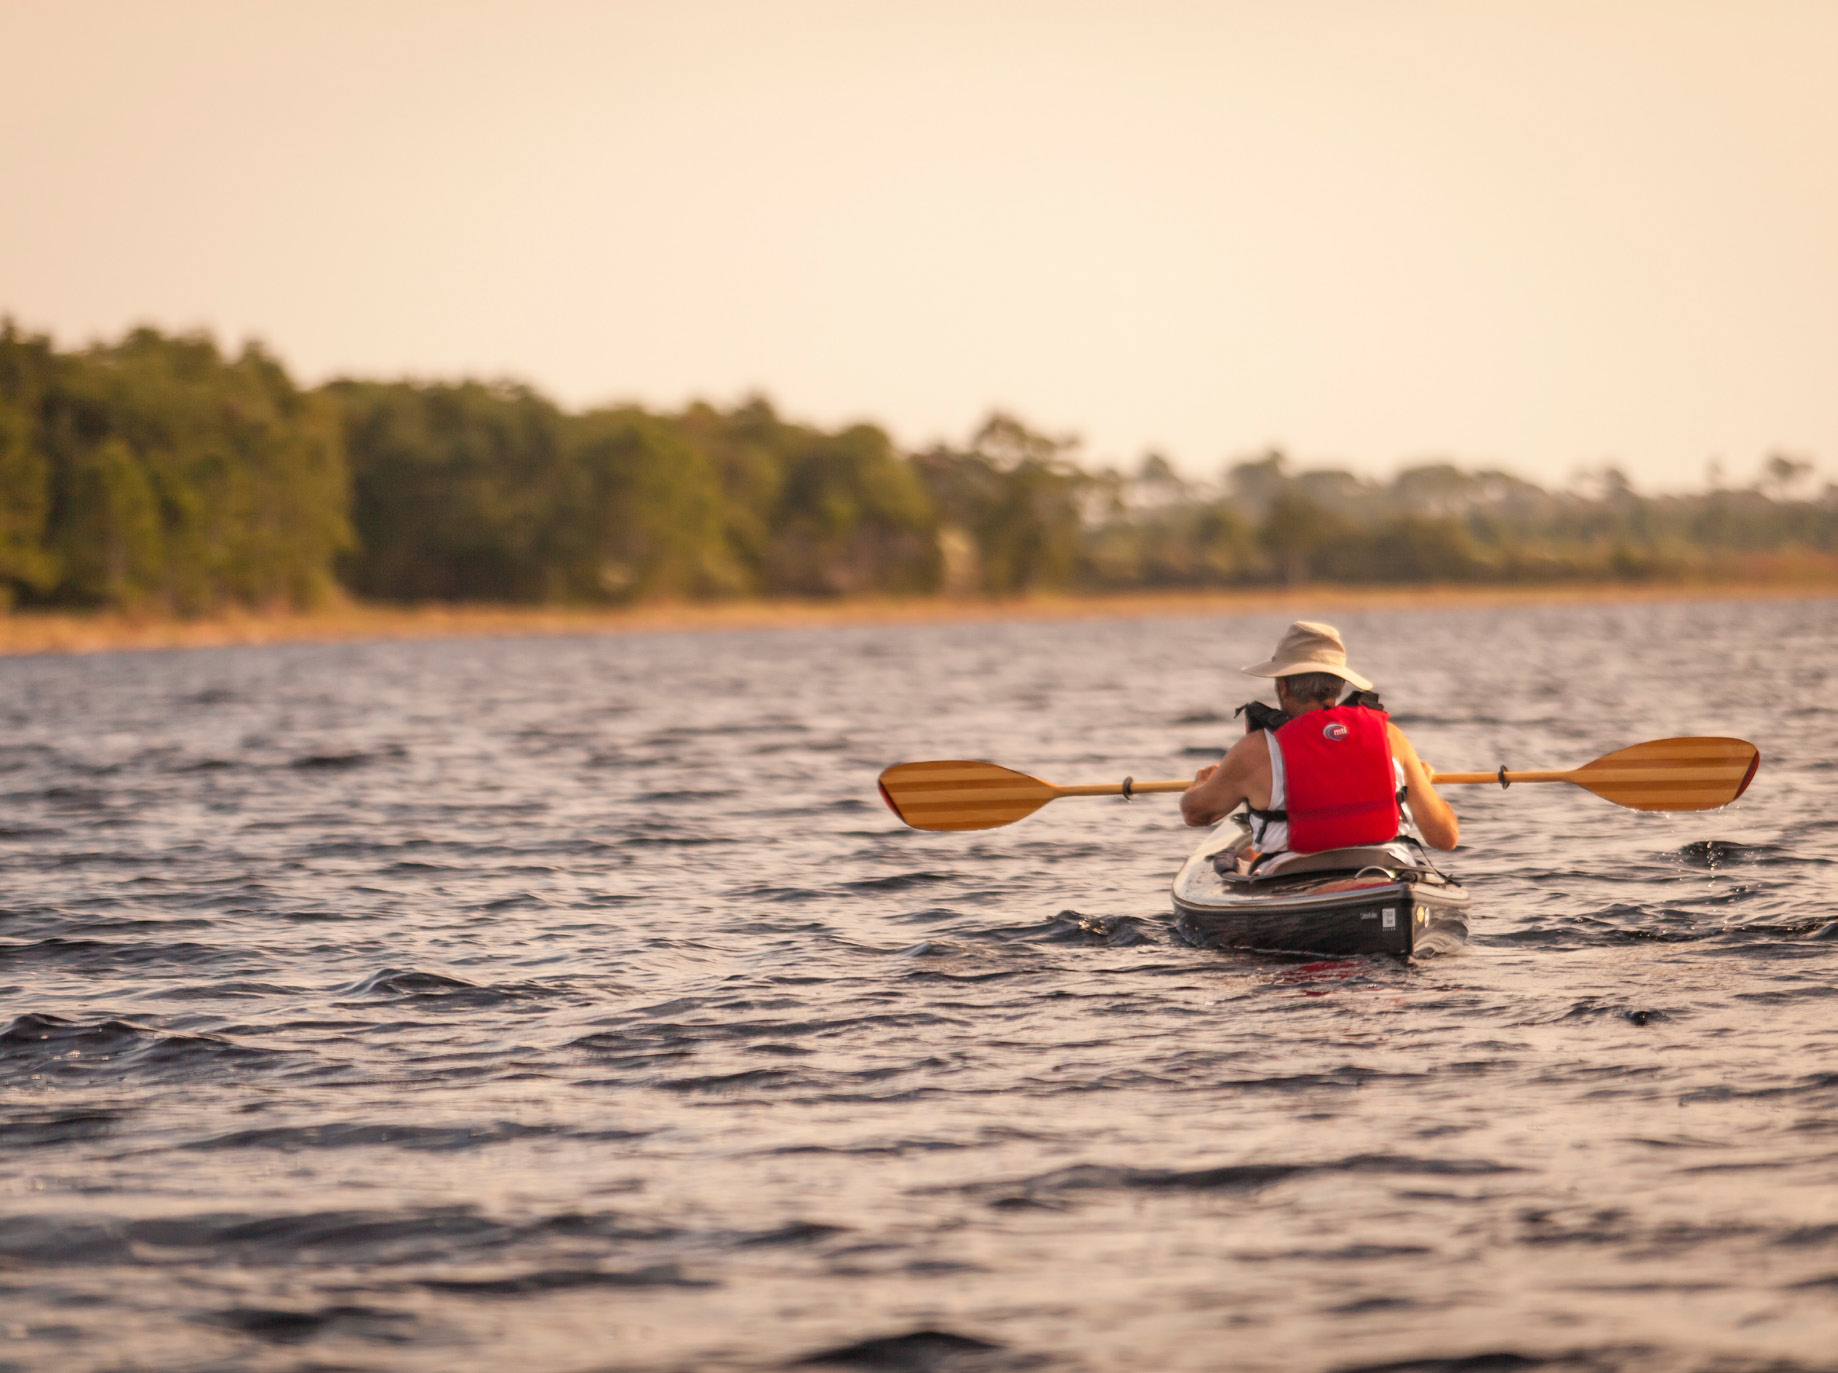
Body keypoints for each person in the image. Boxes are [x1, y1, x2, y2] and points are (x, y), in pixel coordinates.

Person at [1180, 620, 1458, 858]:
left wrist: (1199, 785)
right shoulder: (1391, 738)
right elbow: (1445, 839)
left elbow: (1195, 814)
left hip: (1291, 881)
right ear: (1339, 684)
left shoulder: (1254, 752)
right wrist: (1421, 784)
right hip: (1383, 876)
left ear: (1283, 684)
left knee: (1244, 855)